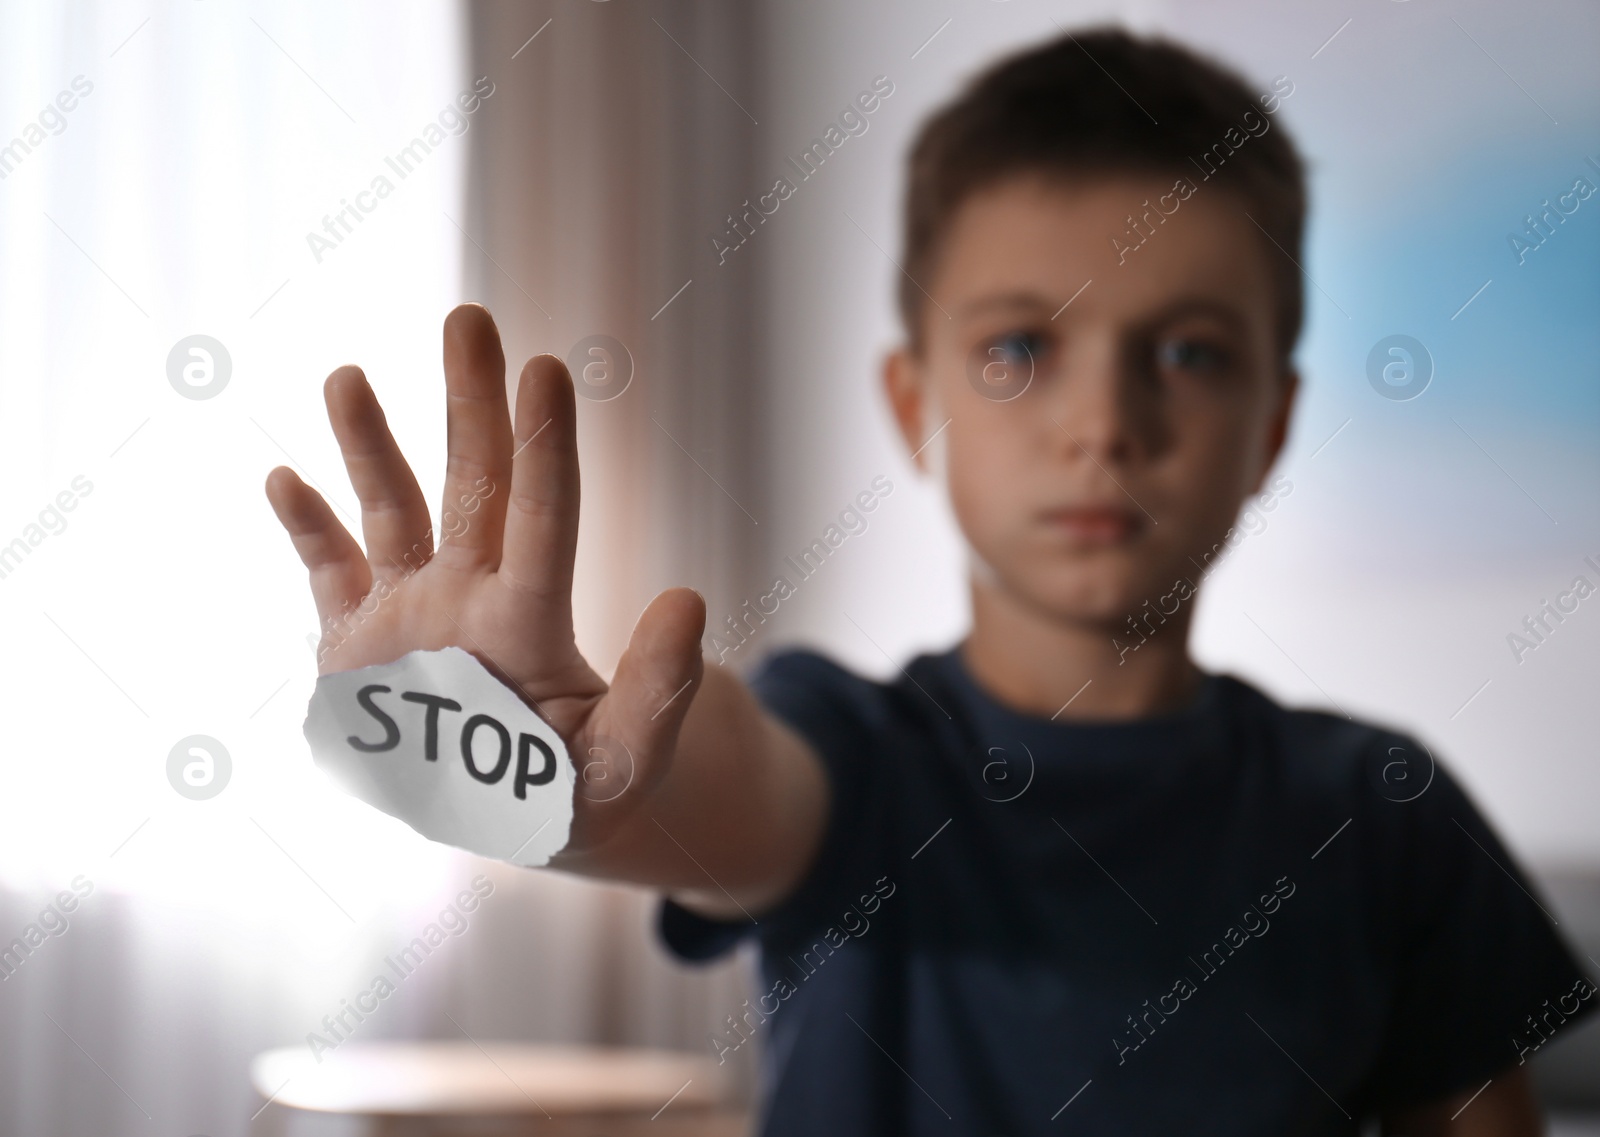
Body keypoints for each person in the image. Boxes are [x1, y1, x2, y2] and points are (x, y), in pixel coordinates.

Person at [265, 26, 1595, 1137]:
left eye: (1186, 353)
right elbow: (712, 784)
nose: (1103, 424)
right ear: (914, 405)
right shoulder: (861, 752)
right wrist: (526, 768)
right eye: (1021, 347)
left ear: (1276, 427)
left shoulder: (1384, 810)